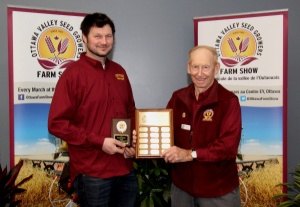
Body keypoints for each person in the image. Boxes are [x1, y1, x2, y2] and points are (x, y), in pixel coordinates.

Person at [48, 12, 137, 207]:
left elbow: (130, 111)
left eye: (108, 36)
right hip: (93, 173)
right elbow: (57, 124)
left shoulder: (119, 72)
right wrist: (99, 142)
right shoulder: (73, 75)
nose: (104, 41)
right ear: (84, 38)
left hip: (125, 169)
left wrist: (132, 143)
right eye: (97, 36)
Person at [161, 45, 242, 207]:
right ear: (188, 67)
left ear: (216, 68)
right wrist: (141, 139)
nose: (199, 73)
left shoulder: (228, 101)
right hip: (181, 189)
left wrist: (190, 154)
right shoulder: (178, 98)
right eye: (195, 67)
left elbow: (227, 147)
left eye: (206, 67)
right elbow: (164, 132)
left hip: (218, 192)